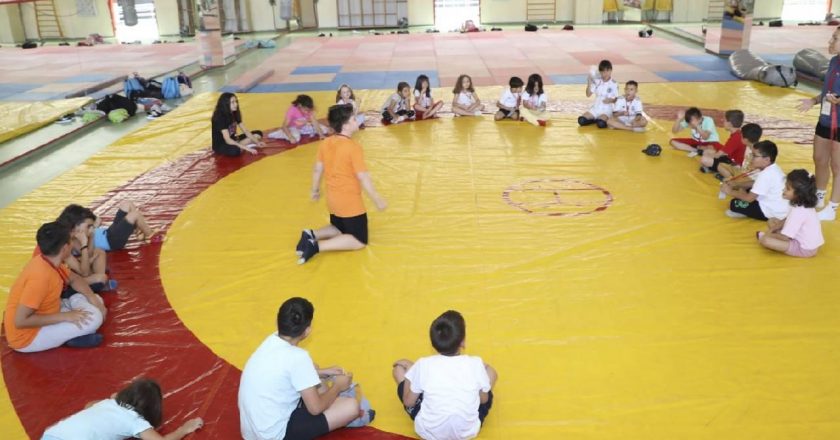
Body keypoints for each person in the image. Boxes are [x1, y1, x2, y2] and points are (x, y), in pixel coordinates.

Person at [239, 297, 361, 440]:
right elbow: (315, 409)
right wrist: (337, 387)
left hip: (251, 432)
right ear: (307, 330)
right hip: (275, 435)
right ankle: (334, 397)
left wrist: (323, 372)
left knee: (313, 368)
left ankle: (327, 392)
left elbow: (282, 370)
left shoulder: (271, 340)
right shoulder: (299, 358)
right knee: (351, 406)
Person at [296, 104, 387, 264]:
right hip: (349, 202)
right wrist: (376, 198)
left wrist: (315, 189)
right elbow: (363, 176)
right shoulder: (353, 147)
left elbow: (318, 169)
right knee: (359, 241)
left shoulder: (326, 143)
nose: (356, 120)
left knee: (339, 228)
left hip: (333, 200)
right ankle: (316, 246)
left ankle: (311, 234)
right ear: (345, 125)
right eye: (353, 118)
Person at [392, 310, 497, 440]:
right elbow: (484, 400)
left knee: (398, 370)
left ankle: (413, 374)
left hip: (429, 432)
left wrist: (412, 374)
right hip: (466, 432)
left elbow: (408, 402)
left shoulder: (423, 365)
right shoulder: (475, 364)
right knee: (491, 372)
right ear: (463, 342)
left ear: (433, 344)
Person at [3, 222, 106, 352]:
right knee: (95, 318)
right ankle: (73, 331)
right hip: (28, 337)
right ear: (65, 248)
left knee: (97, 299)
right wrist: (67, 316)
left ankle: (75, 328)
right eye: (71, 241)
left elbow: (74, 279)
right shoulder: (40, 278)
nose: (73, 244)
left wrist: (93, 298)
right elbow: (20, 321)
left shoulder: (48, 260)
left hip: (50, 310)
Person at [42, 379, 203, 440]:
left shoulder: (107, 404)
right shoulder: (134, 420)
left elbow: (88, 405)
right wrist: (184, 429)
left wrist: (113, 399)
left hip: (51, 435)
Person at [797, 26, 840, 220]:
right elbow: (827, 91)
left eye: (835, 38)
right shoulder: (833, 61)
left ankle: (832, 207)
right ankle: (820, 196)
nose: (831, 41)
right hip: (825, 117)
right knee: (819, 158)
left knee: (838, 166)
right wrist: (813, 101)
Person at [757, 169, 824, 258]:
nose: (783, 189)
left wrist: (769, 234)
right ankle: (772, 235)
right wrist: (775, 227)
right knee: (772, 221)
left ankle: (766, 238)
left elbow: (785, 237)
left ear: (798, 194)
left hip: (803, 249)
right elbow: (787, 219)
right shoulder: (802, 204)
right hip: (807, 243)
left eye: (788, 188)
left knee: (766, 240)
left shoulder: (798, 211)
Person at [722, 140, 789, 221]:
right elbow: (756, 183)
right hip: (779, 207)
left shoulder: (766, 174)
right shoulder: (773, 168)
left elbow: (749, 199)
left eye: (754, 156)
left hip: (771, 212)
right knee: (744, 188)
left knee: (733, 204)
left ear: (766, 160)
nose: (751, 158)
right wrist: (737, 184)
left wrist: (729, 191)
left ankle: (746, 212)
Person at [55, 204, 113, 291]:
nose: (90, 230)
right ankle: (99, 283)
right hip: (59, 285)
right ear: (75, 225)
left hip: (68, 272)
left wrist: (92, 236)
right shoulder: (62, 242)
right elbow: (85, 272)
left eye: (92, 227)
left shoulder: (71, 234)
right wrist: (84, 244)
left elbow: (88, 254)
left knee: (99, 252)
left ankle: (99, 283)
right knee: (101, 277)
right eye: (88, 226)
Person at [59, 202, 158, 253]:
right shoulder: (74, 240)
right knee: (134, 215)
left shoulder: (80, 229)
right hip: (112, 241)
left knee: (127, 204)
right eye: (87, 226)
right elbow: (88, 253)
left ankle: (138, 231)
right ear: (75, 225)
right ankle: (150, 235)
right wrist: (91, 235)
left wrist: (93, 226)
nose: (90, 228)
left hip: (108, 232)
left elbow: (97, 219)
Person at [211, 92, 264, 157]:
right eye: (233, 102)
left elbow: (245, 131)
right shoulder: (219, 117)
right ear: (226, 104)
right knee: (235, 151)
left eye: (236, 101)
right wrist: (248, 149)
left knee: (258, 133)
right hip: (222, 144)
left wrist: (257, 142)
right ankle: (240, 145)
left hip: (234, 139)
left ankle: (239, 144)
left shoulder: (234, 112)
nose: (236, 104)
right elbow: (227, 140)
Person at [578, 59, 618, 128]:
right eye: (603, 72)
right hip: (596, 108)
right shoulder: (597, 81)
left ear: (611, 71)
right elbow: (588, 95)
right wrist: (589, 82)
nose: (605, 74)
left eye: (607, 71)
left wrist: (610, 100)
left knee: (601, 124)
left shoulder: (614, 83)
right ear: (600, 72)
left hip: (606, 110)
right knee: (581, 120)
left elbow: (617, 99)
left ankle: (600, 120)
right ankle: (595, 119)